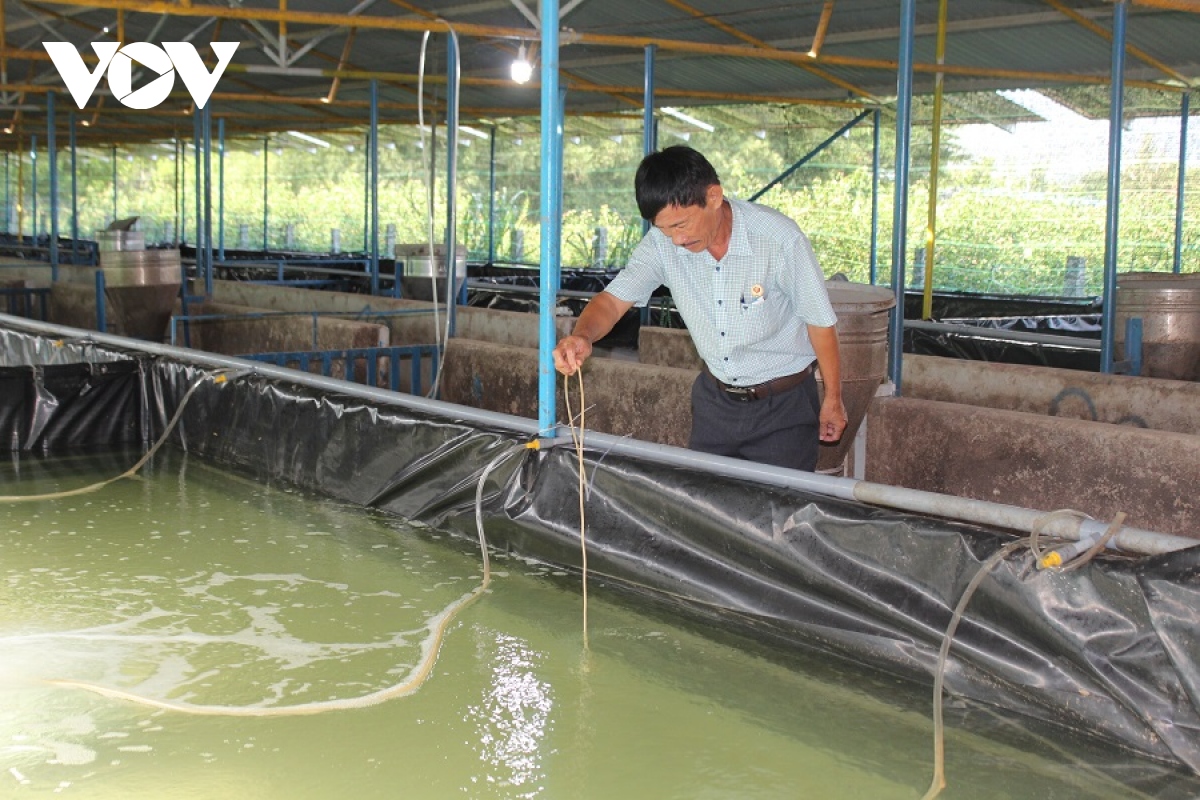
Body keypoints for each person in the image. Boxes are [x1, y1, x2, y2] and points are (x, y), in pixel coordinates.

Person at [552, 145, 847, 472]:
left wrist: (833, 397)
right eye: (664, 229)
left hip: (783, 405)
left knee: (776, 514)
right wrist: (583, 336)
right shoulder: (662, 246)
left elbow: (819, 321)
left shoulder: (778, 239)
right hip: (715, 404)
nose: (675, 239)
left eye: (681, 225)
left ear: (714, 197)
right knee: (706, 509)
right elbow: (612, 300)